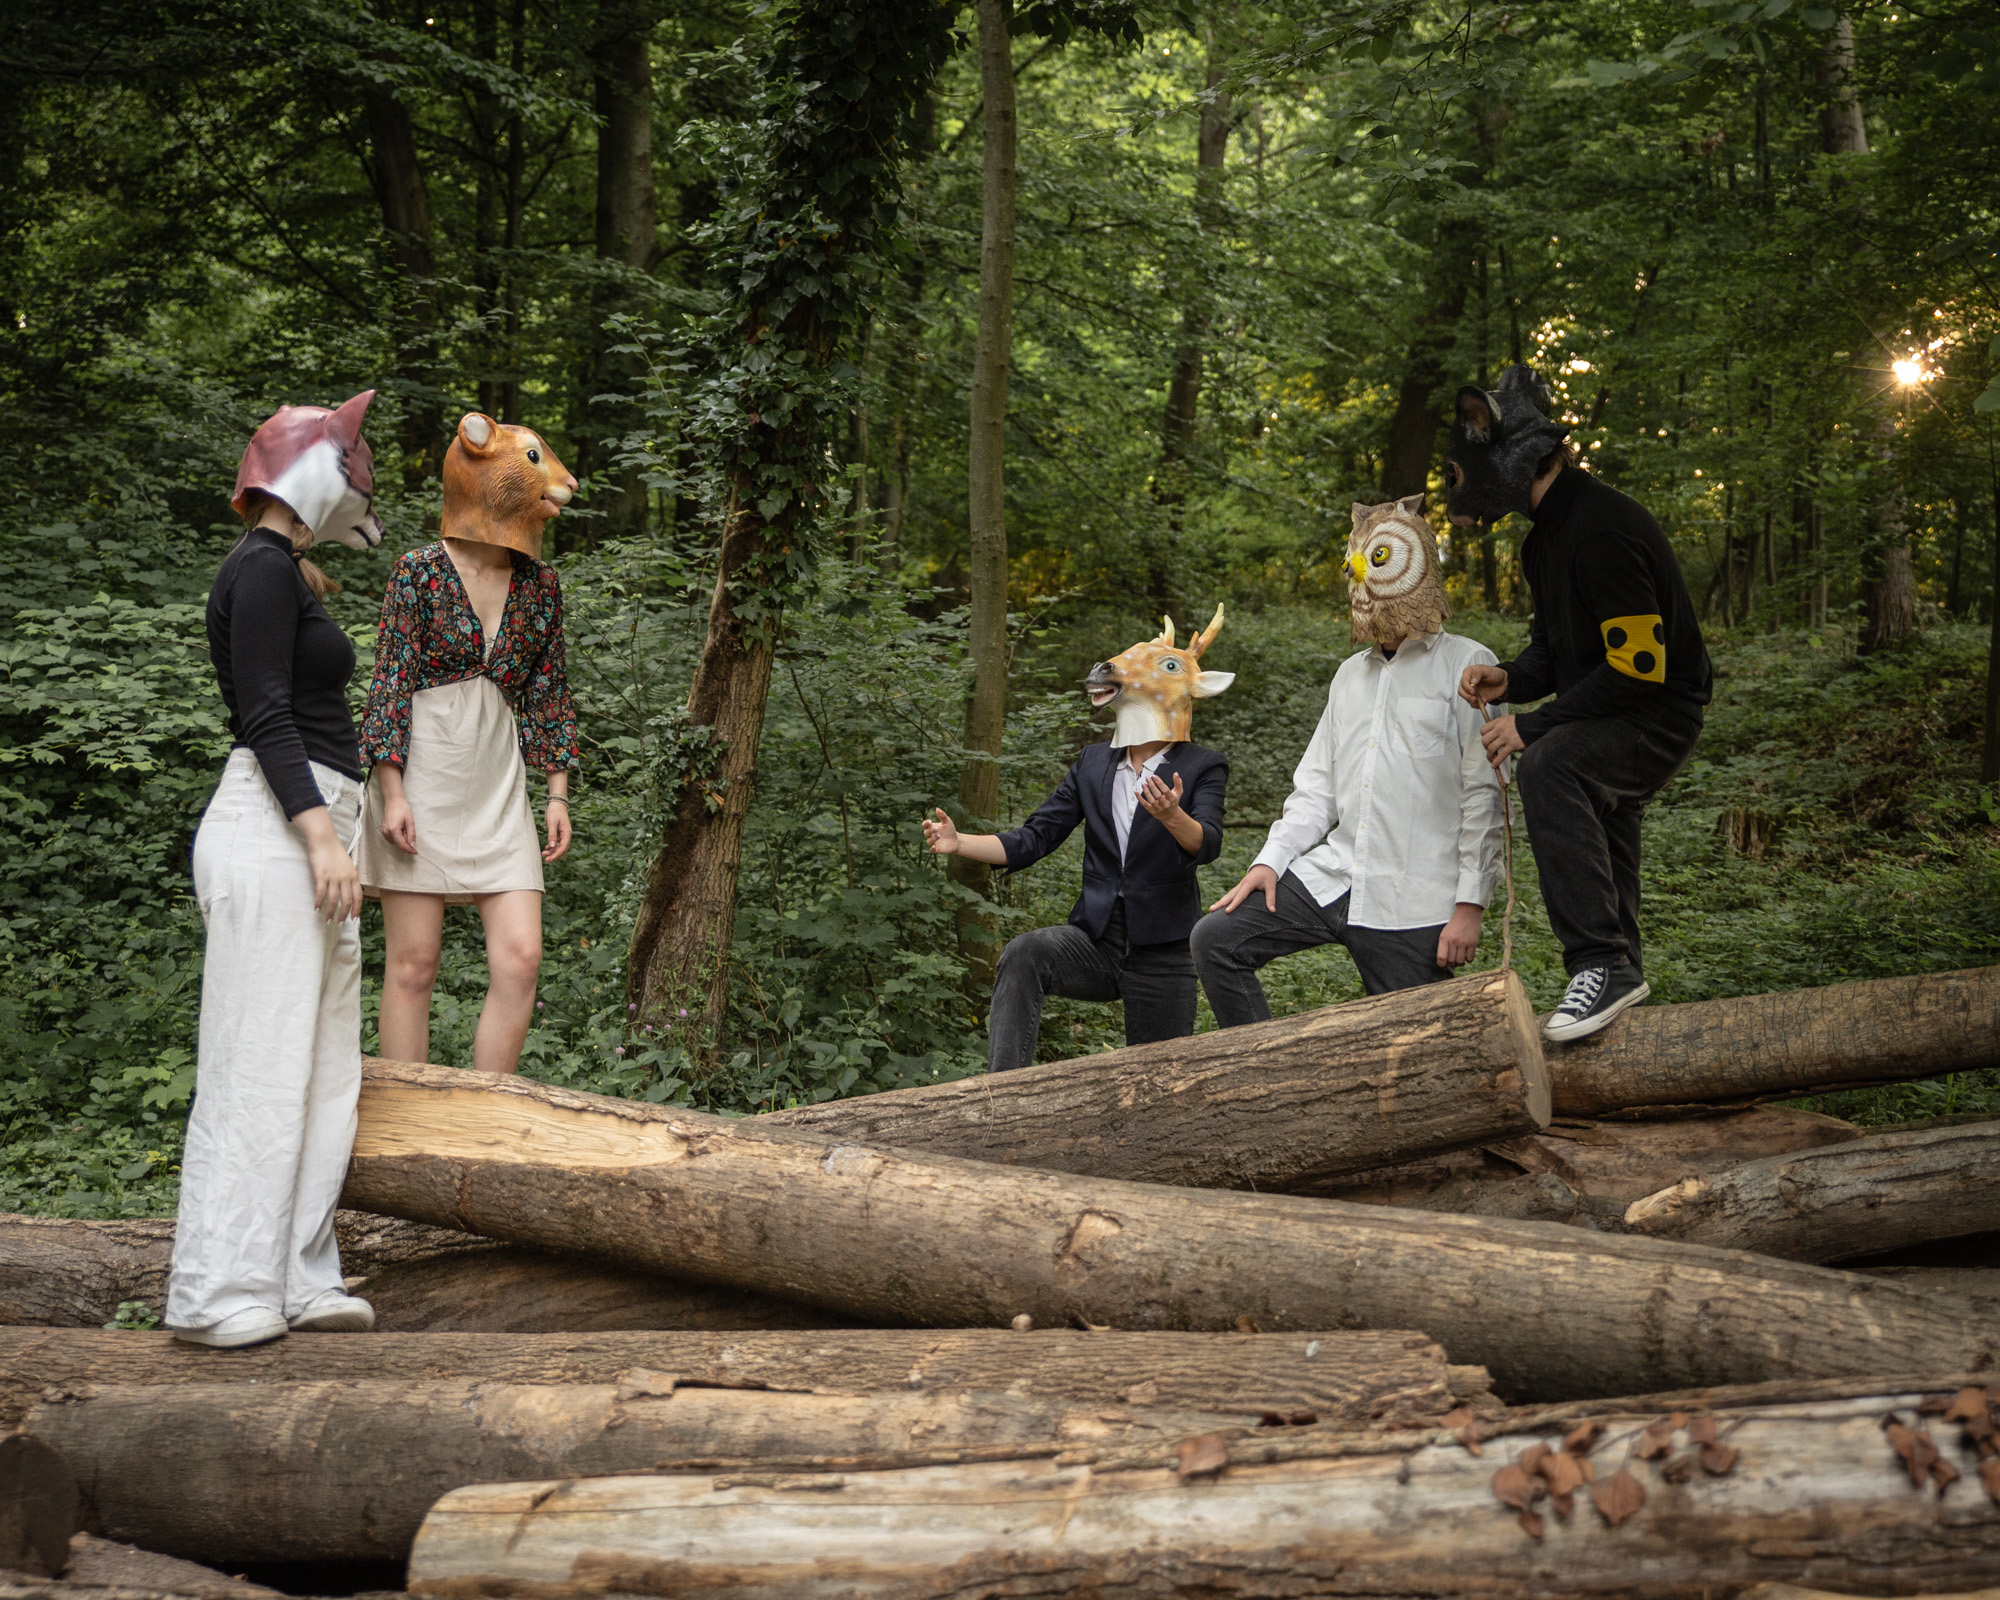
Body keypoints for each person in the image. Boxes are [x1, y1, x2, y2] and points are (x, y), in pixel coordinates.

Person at [168, 390, 386, 1349]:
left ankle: (299, 1275)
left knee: (321, 1069)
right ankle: (219, 1289)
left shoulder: (291, 573)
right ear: (308, 471)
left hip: (315, 827)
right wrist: (318, 836)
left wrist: (346, 833)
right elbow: (264, 713)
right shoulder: (257, 569)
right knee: (258, 1062)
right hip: (274, 828)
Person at [1446, 363, 1712, 1042]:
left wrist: (1531, 728)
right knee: (1601, 821)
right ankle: (1624, 984)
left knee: (1550, 765)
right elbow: (1558, 655)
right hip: (1610, 709)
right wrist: (1509, 677)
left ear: (1516, 455)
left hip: (1655, 713)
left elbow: (1638, 670)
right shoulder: (1546, 544)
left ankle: (1598, 964)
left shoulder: (1602, 528)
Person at [1193, 496, 1504, 1019]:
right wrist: (1270, 860)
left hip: (1415, 899)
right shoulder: (1348, 676)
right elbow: (1316, 789)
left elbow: (1485, 794)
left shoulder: (1469, 664)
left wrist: (1469, 907)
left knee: (1413, 1055)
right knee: (1216, 940)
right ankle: (1260, 1083)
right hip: (1334, 876)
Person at [357, 412, 580, 1075]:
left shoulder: (540, 587)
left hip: (496, 782)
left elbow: (549, 690)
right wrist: (390, 789)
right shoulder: (418, 572)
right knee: (414, 964)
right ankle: (410, 1121)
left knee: (520, 958)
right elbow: (390, 682)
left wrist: (558, 793)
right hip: (419, 778)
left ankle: (488, 1113)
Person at [924, 607, 1232, 1071]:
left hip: (1163, 953)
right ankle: (1003, 1093)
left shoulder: (1203, 765)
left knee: (1155, 1083)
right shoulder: (1093, 764)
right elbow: (1034, 838)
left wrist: (1172, 816)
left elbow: (1207, 844)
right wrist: (958, 841)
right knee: (1024, 953)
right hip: (1097, 942)